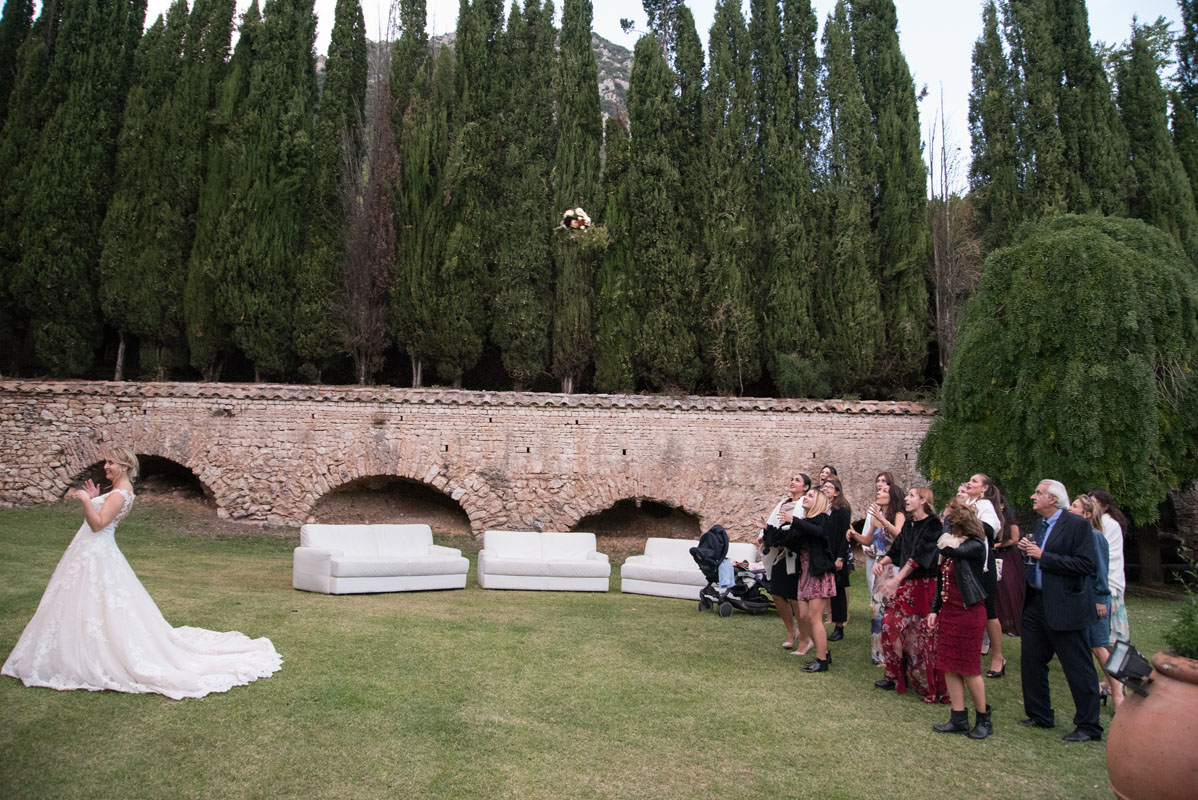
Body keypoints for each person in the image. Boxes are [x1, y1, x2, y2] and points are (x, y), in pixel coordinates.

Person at [2, 449, 282, 700]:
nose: (106, 466)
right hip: (89, 552)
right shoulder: (119, 491)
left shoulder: (121, 494)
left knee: (96, 602)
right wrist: (94, 496)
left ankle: (96, 655)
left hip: (96, 551)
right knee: (85, 603)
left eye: (111, 462)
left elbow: (99, 524)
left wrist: (87, 500)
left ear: (124, 466)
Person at [1017, 480, 1102, 742]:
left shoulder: (1076, 525)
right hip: (1036, 602)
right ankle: (1040, 714)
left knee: (1077, 665)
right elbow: (1038, 557)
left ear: (1053, 499)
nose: (1033, 496)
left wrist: (1044, 556)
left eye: (1038, 493)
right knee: (1031, 659)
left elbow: (1086, 565)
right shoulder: (1041, 525)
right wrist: (1027, 554)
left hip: (1065, 604)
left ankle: (1089, 726)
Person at [874, 487, 947, 703]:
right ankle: (895, 674)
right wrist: (882, 563)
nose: (906, 499)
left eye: (912, 496)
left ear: (923, 500)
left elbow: (919, 556)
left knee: (924, 634)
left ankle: (928, 683)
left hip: (924, 585)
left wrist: (897, 579)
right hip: (907, 583)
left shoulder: (933, 524)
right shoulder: (910, 524)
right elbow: (898, 549)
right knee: (889, 624)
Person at [929, 499, 992, 738]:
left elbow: (948, 549)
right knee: (949, 666)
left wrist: (945, 524)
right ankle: (958, 717)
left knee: (968, 668)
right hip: (950, 611)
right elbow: (941, 581)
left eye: (950, 521)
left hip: (969, 613)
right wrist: (935, 610)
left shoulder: (975, 545)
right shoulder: (954, 543)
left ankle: (983, 717)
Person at [769, 488, 837, 672]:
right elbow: (788, 539)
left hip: (819, 573)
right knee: (805, 616)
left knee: (814, 617)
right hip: (805, 574)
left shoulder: (823, 519)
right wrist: (766, 528)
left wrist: (794, 521)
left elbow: (818, 532)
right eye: (806, 495)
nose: (805, 498)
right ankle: (825, 652)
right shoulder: (803, 523)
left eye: (810, 496)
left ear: (819, 502)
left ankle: (821, 661)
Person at [1071, 494, 1123, 712]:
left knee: (1099, 646)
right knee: (1090, 646)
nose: (1069, 508)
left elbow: (1101, 570)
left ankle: (1119, 694)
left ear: (1088, 513)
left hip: (1095, 600)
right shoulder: (1078, 536)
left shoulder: (1095, 537)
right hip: (1080, 599)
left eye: (1074, 506)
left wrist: (1101, 599)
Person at [848, 473, 905, 665]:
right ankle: (879, 654)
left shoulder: (898, 515)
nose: (879, 492)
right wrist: (854, 534)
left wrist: (884, 520)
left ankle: (894, 655)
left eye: (884, 490)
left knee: (892, 611)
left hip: (894, 566)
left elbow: (901, 537)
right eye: (879, 490)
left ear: (892, 496)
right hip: (879, 567)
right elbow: (868, 540)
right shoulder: (874, 518)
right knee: (877, 610)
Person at [753, 473, 811, 653]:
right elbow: (773, 523)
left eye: (797, 480)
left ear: (806, 487)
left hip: (794, 554)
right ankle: (790, 630)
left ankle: (805, 638)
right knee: (776, 593)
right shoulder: (783, 503)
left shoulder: (805, 504)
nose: (793, 482)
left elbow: (800, 528)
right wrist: (764, 534)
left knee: (795, 598)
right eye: (792, 479)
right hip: (779, 554)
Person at [964, 473, 1006, 678]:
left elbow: (990, 529)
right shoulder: (966, 503)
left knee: (988, 610)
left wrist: (967, 517)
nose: (969, 483)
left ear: (985, 488)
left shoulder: (985, 506)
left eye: (975, 481)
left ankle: (998, 656)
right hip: (964, 562)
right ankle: (969, 650)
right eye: (969, 480)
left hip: (981, 565)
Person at [1089, 489, 1130, 647]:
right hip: (1103, 580)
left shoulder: (1108, 524)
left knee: (1107, 635)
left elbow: (1105, 556)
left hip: (1109, 582)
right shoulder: (1096, 523)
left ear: (1105, 507)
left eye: (1095, 504)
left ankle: (1114, 668)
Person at [821, 477, 852, 642]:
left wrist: (841, 557)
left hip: (836, 554)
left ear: (837, 491)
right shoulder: (823, 508)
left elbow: (844, 536)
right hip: (824, 554)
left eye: (829, 487)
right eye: (824, 486)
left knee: (838, 591)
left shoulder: (842, 510)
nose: (825, 489)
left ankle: (839, 626)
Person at [992, 492, 1025, 637]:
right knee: (999, 589)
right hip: (997, 555)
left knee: (1010, 585)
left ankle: (1014, 622)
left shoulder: (1010, 520)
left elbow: (1015, 539)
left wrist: (998, 545)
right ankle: (1003, 621)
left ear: (1003, 506)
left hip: (1009, 555)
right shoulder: (993, 520)